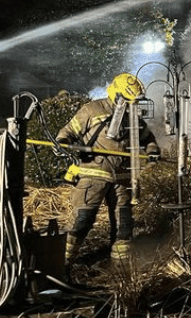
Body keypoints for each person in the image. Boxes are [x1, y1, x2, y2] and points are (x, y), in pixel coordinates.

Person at [56, 72, 160, 275]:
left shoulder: (133, 117)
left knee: (124, 227)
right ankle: (61, 265)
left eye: (134, 102)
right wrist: (65, 146)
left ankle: (120, 274)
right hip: (92, 175)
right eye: (128, 101)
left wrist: (152, 152)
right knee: (82, 222)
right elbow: (66, 133)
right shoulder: (92, 110)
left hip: (122, 179)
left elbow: (148, 139)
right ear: (117, 95)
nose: (132, 105)